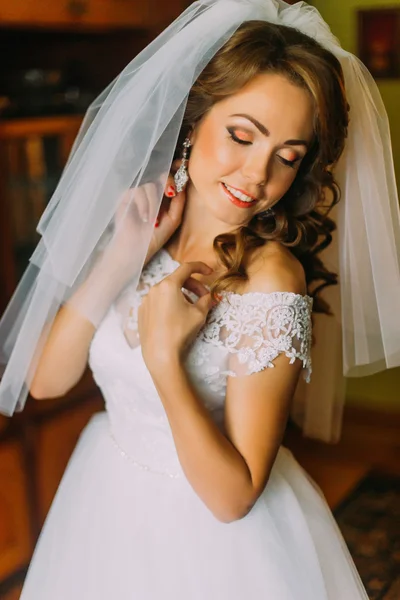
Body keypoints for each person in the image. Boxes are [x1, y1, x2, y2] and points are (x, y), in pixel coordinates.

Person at [1, 0, 400, 598]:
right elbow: (47, 381)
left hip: (215, 546)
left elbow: (233, 497)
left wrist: (165, 357)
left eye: (287, 157)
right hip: (106, 497)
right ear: (193, 123)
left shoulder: (270, 282)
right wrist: (123, 255)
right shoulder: (141, 223)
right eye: (241, 136)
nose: (257, 176)